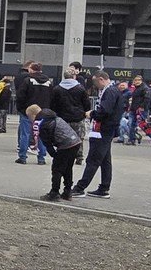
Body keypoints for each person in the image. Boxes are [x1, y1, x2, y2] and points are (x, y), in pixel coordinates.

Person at [70, 71, 119, 199]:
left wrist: (92, 114)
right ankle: (104, 188)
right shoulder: (113, 91)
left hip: (102, 130)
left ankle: (80, 188)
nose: (96, 86)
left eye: (96, 83)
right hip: (108, 129)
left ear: (101, 79)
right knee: (105, 160)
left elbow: (105, 110)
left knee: (93, 159)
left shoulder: (110, 92)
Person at [26, 105, 82, 201]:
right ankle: (67, 192)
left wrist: (54, 154)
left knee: (57, 169)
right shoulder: (51, 115)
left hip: (65, 144)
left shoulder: (40, 123)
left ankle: (54, 192)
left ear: (33, 115)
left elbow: (46, 141)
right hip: (75, 141)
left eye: (29, 117)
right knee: (68, 167)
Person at [50, 68, 90, 166]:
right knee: (79, 138)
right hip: (78, 117)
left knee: (63, 137)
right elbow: (86, 104)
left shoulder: (57, 89)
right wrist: (84, 113)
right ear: (74, 76)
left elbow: (53, 104)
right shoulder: (80, 88)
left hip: (63, 118)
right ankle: (79, 157)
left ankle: (64, 155)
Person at [15, 62, 53, 165]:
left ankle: (22, 157)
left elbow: (20, 96)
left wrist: (22, 109)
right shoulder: (48, 82)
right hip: (43, 112)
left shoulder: (27, 81)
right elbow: (52, 97)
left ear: (31, 70)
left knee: (25, 134)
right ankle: (41, 158)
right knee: (41, 135)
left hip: (28, 111)